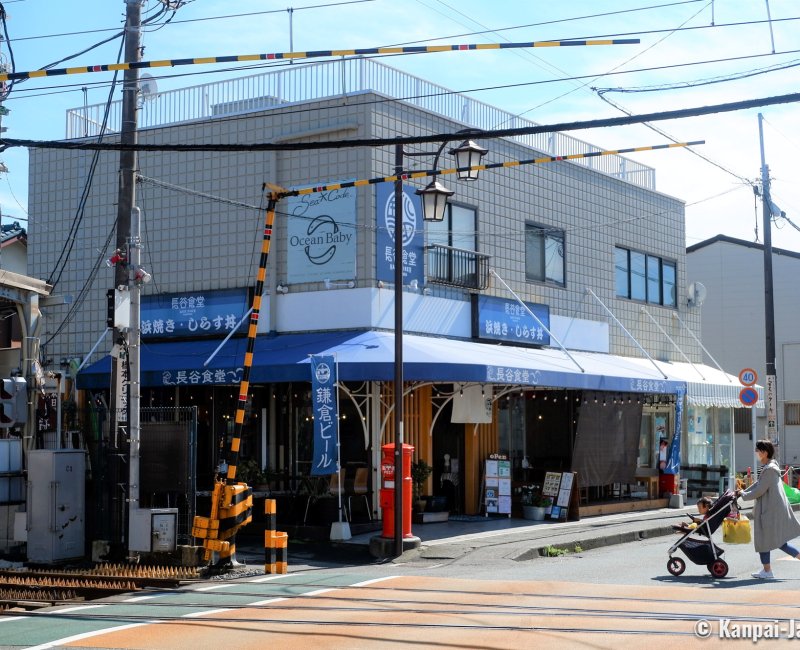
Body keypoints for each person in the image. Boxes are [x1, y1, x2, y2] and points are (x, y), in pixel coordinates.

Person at [736, 439, 800, 579]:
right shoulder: (769, 467)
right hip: (771, 510)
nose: (756, 453)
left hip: (770, 511)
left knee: (766, 540)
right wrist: (743, 492)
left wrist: (744, 495)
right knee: (777, 542)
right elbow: (758, 485)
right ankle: (767, 570)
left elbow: (760, 490)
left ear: (764, 453)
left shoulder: (769, 470)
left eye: (758, 450)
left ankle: (767, 571)